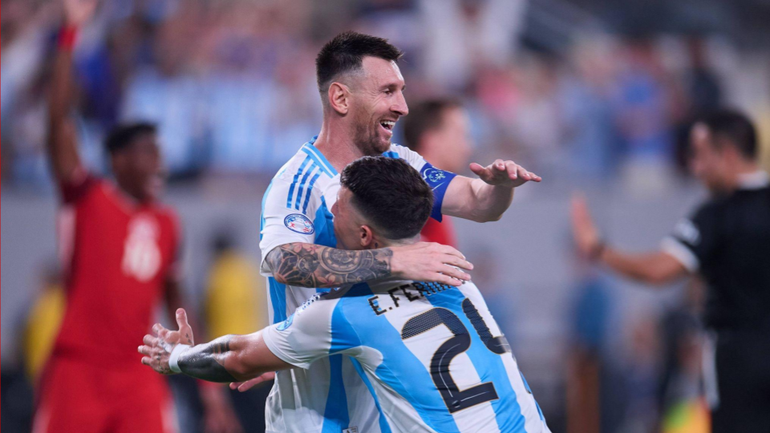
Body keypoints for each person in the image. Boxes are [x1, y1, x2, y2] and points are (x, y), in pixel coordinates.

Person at [256, 31, 541, 433]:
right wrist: (390, 259)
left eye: (402, 91)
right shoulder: (296, 183)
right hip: (315, 417)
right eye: (388, 91)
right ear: (340, 98)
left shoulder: (398, 162)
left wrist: (500, 187)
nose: (402, 107)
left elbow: (477, 202)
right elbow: (282, 261)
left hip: (387, 414)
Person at [140, 156, 551, 433]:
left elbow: (237, 357)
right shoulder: (458, 277)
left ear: (365, 235)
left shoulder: (343, 313)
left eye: (339, 206)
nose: (330, 209)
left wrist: (173, 358)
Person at [34, 1, 239, 432]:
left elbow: (178, 303)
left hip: (138, 370)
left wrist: (210, 390)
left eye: (160, 154)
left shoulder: (166, 223)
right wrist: (71, 35)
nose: (158, 164)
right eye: (148, 154)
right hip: (79, 366)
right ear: (118, 160)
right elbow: (56, 125)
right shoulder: (86, 197)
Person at [571, 109, 770, 432]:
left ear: (728, 154)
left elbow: (659, 271)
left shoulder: (716, 215)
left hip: (738, 360)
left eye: (701, 155)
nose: (695, 167)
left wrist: (597, 249)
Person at [402, 98, 473, 246]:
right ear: (431, 140)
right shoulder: (414, 190)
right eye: (461, 135)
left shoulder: (433, 191)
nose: (468, 147)